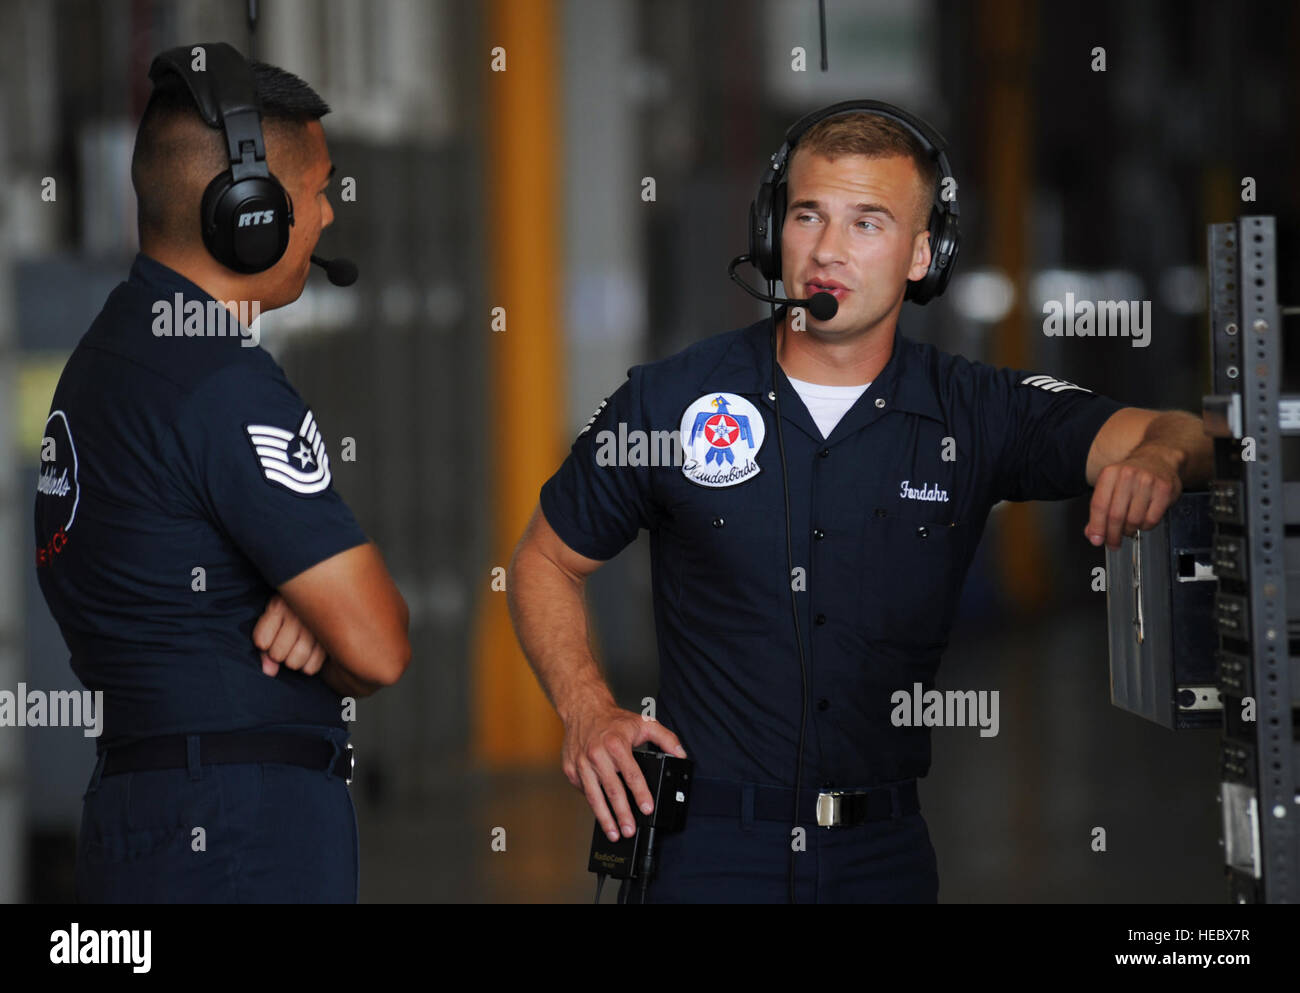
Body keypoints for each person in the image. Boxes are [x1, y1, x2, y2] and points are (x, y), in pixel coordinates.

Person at [506, 101, 1214, 903]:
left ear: (924, 255)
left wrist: (1158, 455)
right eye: (809, 214)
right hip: (704, 854)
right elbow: (544, 559)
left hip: (881, 858)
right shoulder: (671, 401)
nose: (829, 250)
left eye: (867, 223)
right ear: (776, 229)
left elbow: (1178, 430)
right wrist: (587, 707)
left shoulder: (974, 412)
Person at [33, 43, 410, 903]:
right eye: (316, 194)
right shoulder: (221, 380)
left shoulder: (103, 361)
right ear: (248, 213)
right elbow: (381, 643)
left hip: (138, 815)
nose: (325, 220)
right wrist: (332, 632)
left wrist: (318, 618)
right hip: (240, 836)